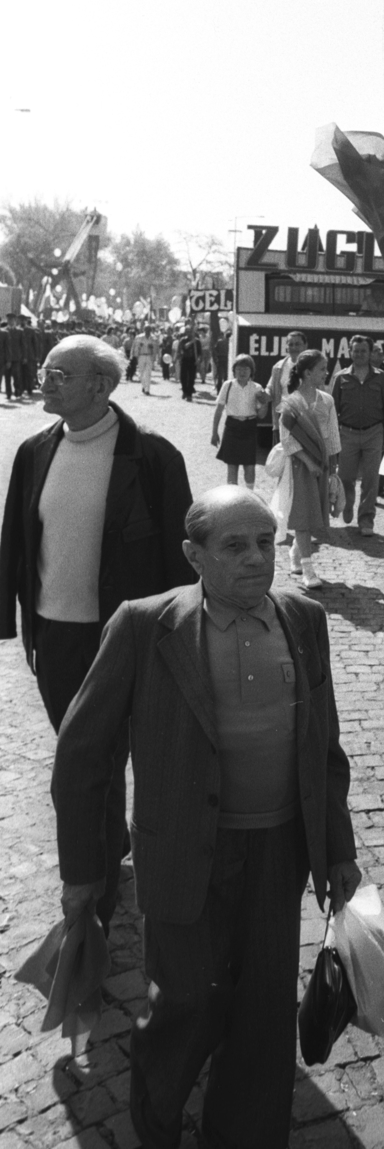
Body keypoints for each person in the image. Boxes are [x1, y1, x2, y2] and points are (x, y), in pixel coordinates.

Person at [51, 488, 360, 1149]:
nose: (256, 559)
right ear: (193, 554)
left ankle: (243, 1134)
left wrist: (338, 851)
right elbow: (82, 756)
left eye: (265, 543)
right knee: (186, 1000)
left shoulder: (303, 619)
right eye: (233, 546)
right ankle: (156, 1119)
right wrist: (83, 873)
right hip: (181, 851)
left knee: (262, 1011)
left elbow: (324, 749)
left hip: (279, 851)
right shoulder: (144, 625)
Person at [0, 334, 193, 927]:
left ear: (100, 387)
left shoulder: (153, 457)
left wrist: (181, 638)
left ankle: (97, 887)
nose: (45, 379)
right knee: (84, 753)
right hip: (55, 637)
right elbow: (15, 539)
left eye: (60, 373)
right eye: (48, 371)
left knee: (94, 760)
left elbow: (179, 560)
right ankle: (108, 849)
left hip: (123, 639)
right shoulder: (34, 451)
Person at [278, 350, 340, 590]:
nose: (326, 373)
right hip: (299, 467)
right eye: (322, 369)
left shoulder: (327, 400)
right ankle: (308, 569)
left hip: (322, 464)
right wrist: (308, 462)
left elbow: (333, 434)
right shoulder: (291, 403)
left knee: (313, 515)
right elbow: (287, 440)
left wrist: (334, 466)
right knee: (303, 517)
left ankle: (296, 551)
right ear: (307, 373)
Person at [328, 335, 384, 536]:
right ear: (350, 352)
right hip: (347, 434)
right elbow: (333, 410)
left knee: (371, 479)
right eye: (355, 351)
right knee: (346, 477)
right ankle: (347, 505)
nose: (359, 354)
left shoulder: (381, 377)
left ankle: (366, 520)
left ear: (370, 353)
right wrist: (332, 436)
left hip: (374, 433)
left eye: (363, 351)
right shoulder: (341, 378)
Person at [211, 354, 269, 488]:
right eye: (239, 369)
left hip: (249, 427)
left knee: (249, 466)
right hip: (232, 426)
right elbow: (219, 410)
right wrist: (214, 432)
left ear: (251, 371)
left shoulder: (257, 388)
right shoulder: (228, 385)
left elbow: (261, 415)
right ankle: (233, 499)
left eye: (246, 369)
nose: (242, 372)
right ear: (234, 370)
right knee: (232, 466)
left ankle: (249, 496)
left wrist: (265, 403)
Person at [266, 329, 308, 432]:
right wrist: (262, 394)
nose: (294, 348)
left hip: (307, 422)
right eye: (290, 344)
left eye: (297, 344)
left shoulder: (313, 366)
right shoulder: (278, 367)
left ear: (305, 346)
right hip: (283, 422)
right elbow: (270, 389)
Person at [133, 326, 157, 395]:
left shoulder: (153, 338)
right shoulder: (139, 337)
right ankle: (144, 386)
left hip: (149, 356)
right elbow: (135, 347)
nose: (148, 331)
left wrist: (152, 348)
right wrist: (139, 348)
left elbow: (156, 349)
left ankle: (147, 390)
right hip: (141, 356)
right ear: (144, 330)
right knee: (141, 373)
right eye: (146, 330)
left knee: (148, 373)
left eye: (149, 330)